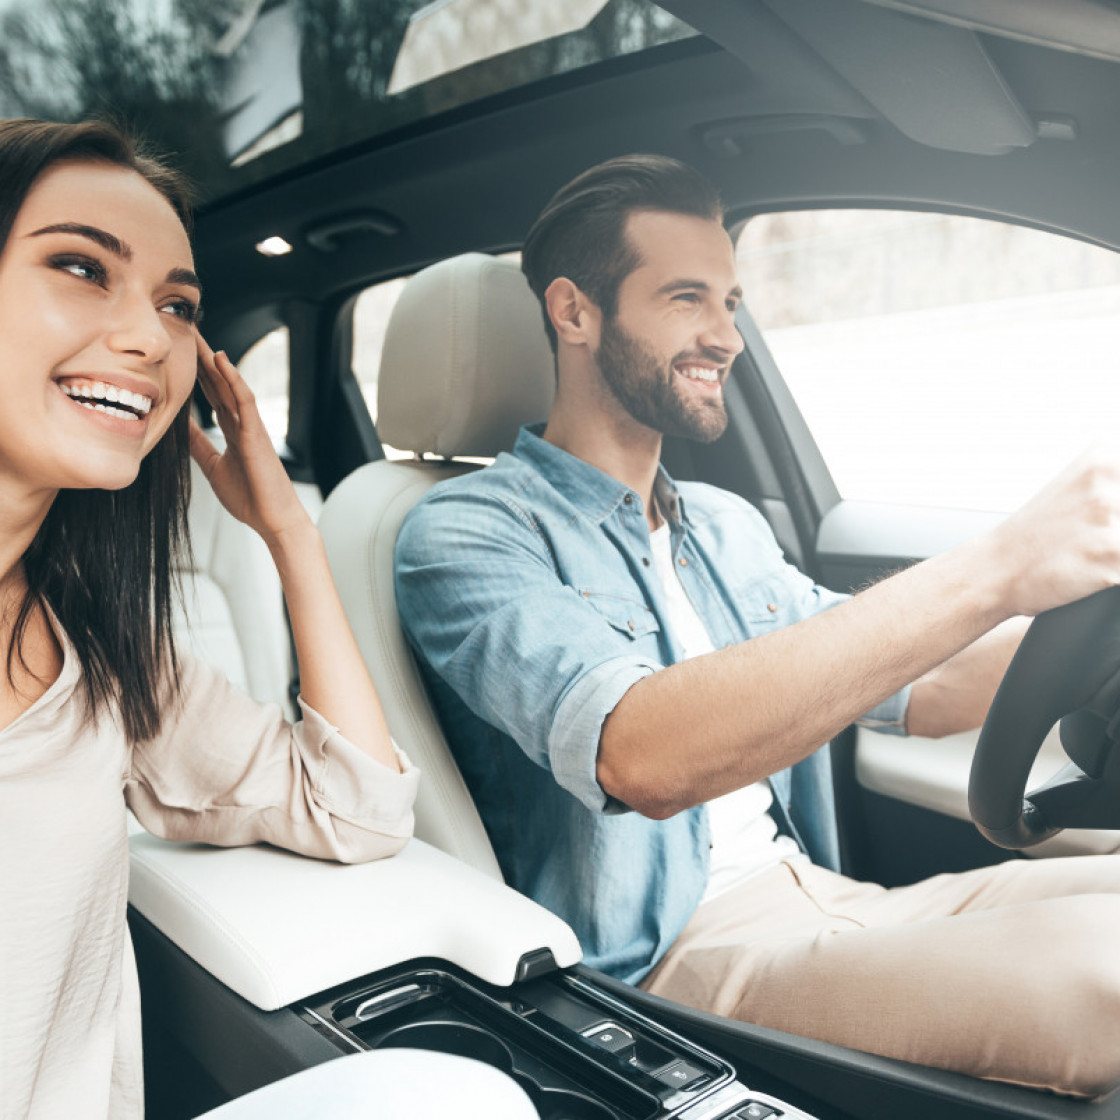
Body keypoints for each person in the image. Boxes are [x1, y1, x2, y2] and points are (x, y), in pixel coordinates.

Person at [394, 153, 1120, 1098]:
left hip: (831, 900)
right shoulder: (463, 536)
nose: (727, 335)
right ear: (573, 313)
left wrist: (1089, 631)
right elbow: (638, 755)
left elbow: (921, 686)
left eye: (732, 302)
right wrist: (997, 566)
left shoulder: (725, 526)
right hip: (668, 966)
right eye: (687, 298)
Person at [0, 118, 418, 1118]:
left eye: (178, 304)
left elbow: (359, 806)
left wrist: (287, 528)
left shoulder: (106, 664)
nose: (150, 336)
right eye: (79, 265)